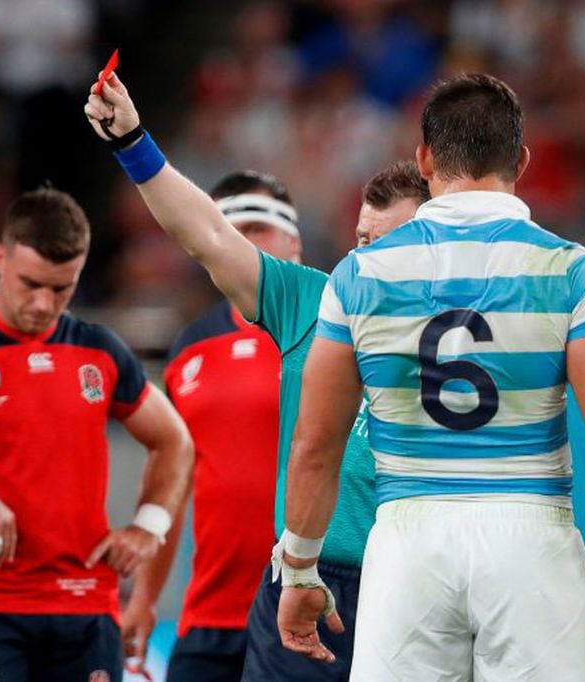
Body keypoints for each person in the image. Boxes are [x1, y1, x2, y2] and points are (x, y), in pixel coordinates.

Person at [276, 73, 585, 681]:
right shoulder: (567, 270)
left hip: (408, 541)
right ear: (522, 161)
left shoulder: (358, 278)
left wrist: (299, 568)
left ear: (424, 159)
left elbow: (315, 444)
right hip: (529, 538)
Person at [83, 72, 430, 680]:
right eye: (360, 240)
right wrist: (133, 140)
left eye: (387, 243)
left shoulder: (466, 332)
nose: (365, 258)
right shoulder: (312, 303)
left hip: (413, 587)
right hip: (304, 580)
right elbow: (207, 235)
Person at [0, 187, 194, 681]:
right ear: (0, 256)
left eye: (62, 288)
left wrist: (149, 526)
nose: (43, 303)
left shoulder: (98, 350)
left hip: (87, 610)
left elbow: (174, 439)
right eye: (30, 284)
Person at [120, 171, 294, 681]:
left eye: (258, 227)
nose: (241, 243)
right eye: (227, 229)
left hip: (304, 614)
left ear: (294, 239)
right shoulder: (190, 348)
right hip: (208, 619)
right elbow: (170, 479)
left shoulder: (330, 330)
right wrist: (146, 598)